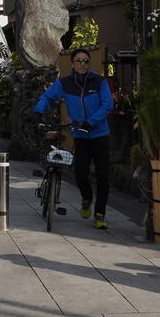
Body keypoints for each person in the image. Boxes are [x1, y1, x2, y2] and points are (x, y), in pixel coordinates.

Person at [31, 49, 114, 229]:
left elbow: (107, 104)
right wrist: (38, 111)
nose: (82, 63)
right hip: (80, 135)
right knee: (80, 173)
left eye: (85, 60)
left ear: (89, 63)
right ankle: (87, 198)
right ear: (72, 64)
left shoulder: (99, 82)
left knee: (102, 176)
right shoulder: (65, 83)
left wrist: (91, 122)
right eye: (79, 61)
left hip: (100, 134)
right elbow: (47, 96)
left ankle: (100, 215)